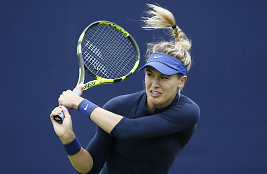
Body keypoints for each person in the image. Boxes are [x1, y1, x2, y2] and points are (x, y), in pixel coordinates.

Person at [50, 4, 200, 174]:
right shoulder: (118, 107)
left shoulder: (187, 111)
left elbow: (128, 129)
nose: (154, 84)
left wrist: (79, 102)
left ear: (181, 81)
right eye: (150, 74)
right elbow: (88, 169)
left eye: (164, 78)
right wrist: (68, 138)